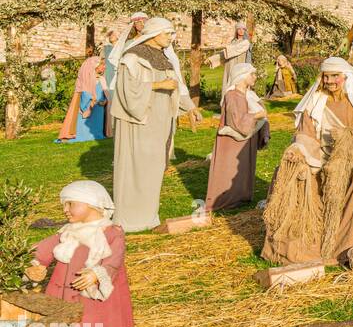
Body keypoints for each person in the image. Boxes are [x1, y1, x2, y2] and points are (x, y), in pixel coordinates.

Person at [261, 58, 353, 265]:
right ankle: (302, 244)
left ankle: (346, 243)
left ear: (345, 77)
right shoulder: (315, 101)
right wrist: (298, 150)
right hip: (320, 153)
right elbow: (306, 135)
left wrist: (350, 135)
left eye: (334, 76)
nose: (329, 81)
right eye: (326, 76)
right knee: (294, 173)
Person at [25, 181, 134, 327]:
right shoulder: (66, 233)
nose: (65, 210)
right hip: (63, 294)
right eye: (64, 206)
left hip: (95, 301)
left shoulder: (111, 233)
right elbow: (42, 251)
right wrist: (33, 266)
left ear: (91, 204)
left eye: (70, 204)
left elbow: (115, 259)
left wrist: (96, 274)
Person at [109, 17, 193, 232]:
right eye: (168, 33)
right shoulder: (133, 57)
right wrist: (159, 84)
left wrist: (189, 107)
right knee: (137, 166)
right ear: (154, 33)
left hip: (159, 120)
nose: (171, 38)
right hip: (139, 120)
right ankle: (130, 218)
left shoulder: (163, 57)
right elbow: (127, 89)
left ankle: (148, 215)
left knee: (154, 167)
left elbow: (176, 85)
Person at [205, 62, 270, 213]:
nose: (255, 77)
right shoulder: (232, 95)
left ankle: (241, 195)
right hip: (232, 142)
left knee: (243, 168)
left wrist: (263, 126)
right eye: (252, 74)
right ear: (242, 76)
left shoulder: (249, 95)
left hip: (247, 139)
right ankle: (226, 198)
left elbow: (261, 114)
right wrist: (258, 115)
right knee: (230, 168)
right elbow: (237, 121)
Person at [57, 50, 109, 143]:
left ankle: (97, 134)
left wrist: (105, 100)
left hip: (99, 108)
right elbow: (84, 94)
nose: (104, 67)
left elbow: (104, 93)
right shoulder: (86, 80)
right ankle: (81, 134)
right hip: (89, 106)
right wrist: (91, 100)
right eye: (102, 65)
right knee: (84, 123)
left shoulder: (102, 79)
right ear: (95, 66)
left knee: (97, 124)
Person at [212, 22, 254, 92]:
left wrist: (226, 48)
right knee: (229, 85)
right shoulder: (233, 42)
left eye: (243, 29)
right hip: (229, 65)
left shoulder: (245, 43)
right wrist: (212, 59)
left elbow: (233, 50)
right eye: (239, 29)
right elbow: (224, 54)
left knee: (238, 84)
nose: (241, 31)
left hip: (239, 65)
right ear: (236, 31)